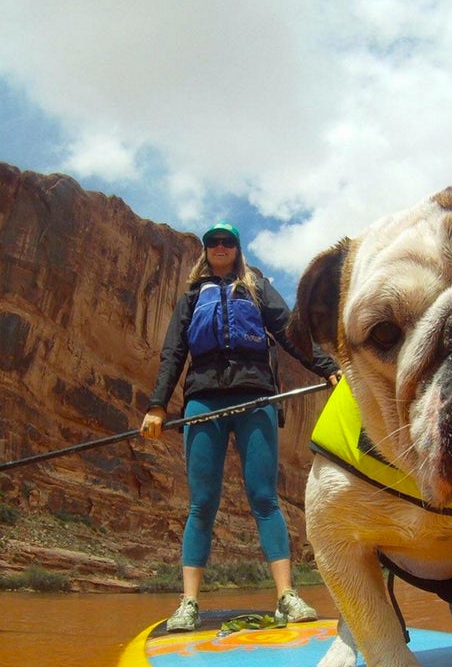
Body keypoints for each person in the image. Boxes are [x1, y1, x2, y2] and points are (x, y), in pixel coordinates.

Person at [140, 222, 340, 632]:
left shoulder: (257, 287)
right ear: (205, 250)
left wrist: (328, 368)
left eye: (227, 241)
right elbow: (174, 352)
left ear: (237, 248)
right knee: (202, 504)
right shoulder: (192, 296)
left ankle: (287, 596)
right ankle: (189, 603)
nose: (219, 247)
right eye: (212, 242)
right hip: (204, 400)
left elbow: (290, 332)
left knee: (264, 498)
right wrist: (158, 405)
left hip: (255, 397)